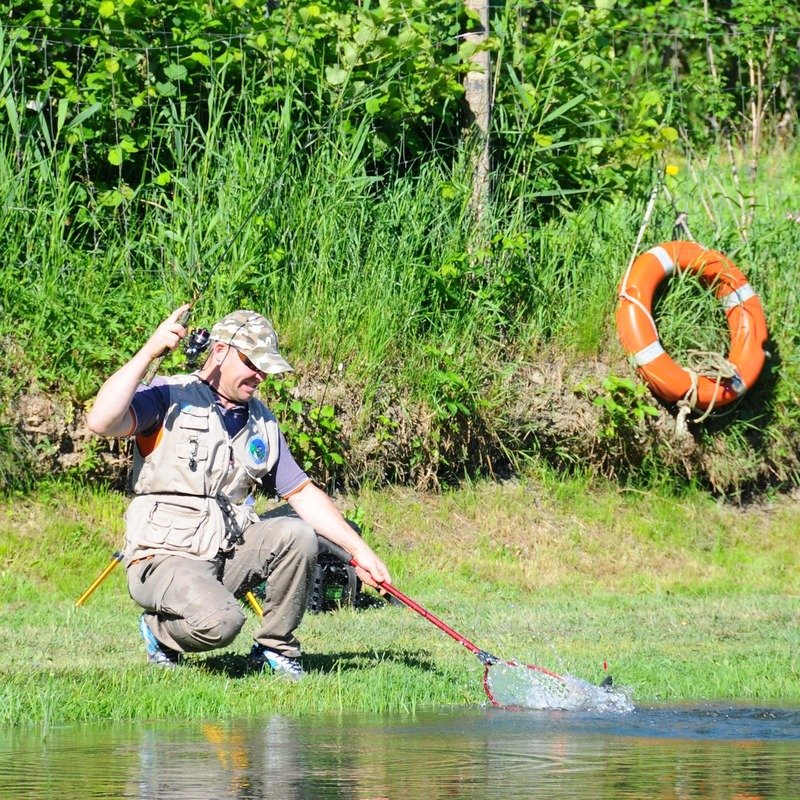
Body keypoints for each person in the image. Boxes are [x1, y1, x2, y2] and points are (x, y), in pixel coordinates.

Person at [86, 304, 391, 679]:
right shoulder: (167, 396)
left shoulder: (262, 421)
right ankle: (160, 631)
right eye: (252, 363)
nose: (260, 375)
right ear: (220, 352)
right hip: (163, 559)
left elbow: (303, 494)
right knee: (222, 624)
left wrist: (361, 553)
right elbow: (102, 421)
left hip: (224, 556)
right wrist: (148, 352)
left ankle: (274, 649)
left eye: (266, 366)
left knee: (296, 533)